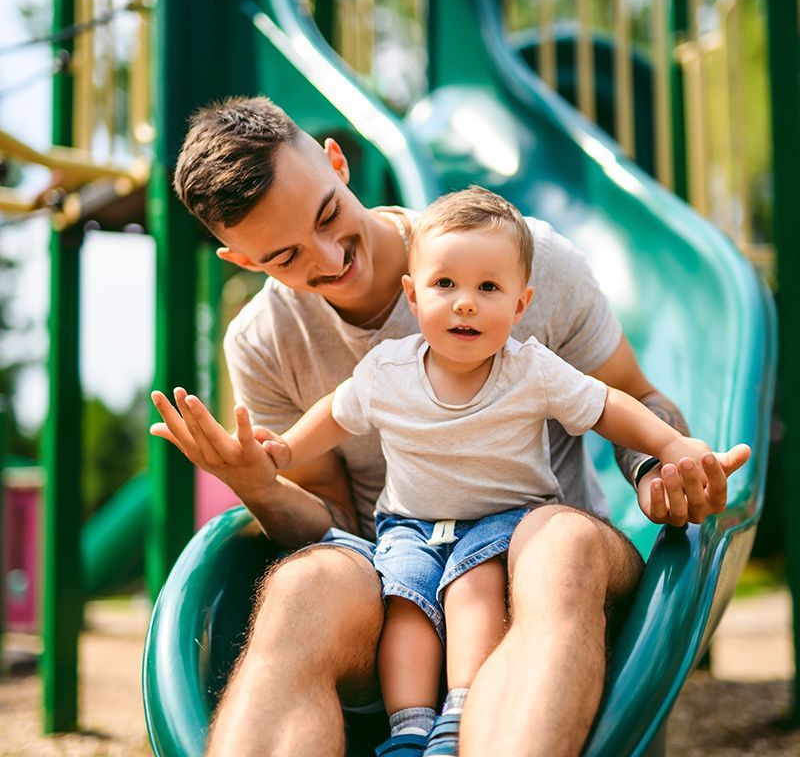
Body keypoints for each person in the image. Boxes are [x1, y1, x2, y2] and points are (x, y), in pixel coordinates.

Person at [150, 96, 751, 757]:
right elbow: (335, 523)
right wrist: (259, 484)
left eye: (328, 214)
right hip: (396, 568)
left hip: (534, 540)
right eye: (285, 257)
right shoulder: (266, 342)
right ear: (243, 261)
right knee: (301, 587)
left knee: (558, 549)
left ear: (337, 162)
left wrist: (658, 463)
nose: (329, 258)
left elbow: (632, 398)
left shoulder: (520, 262)